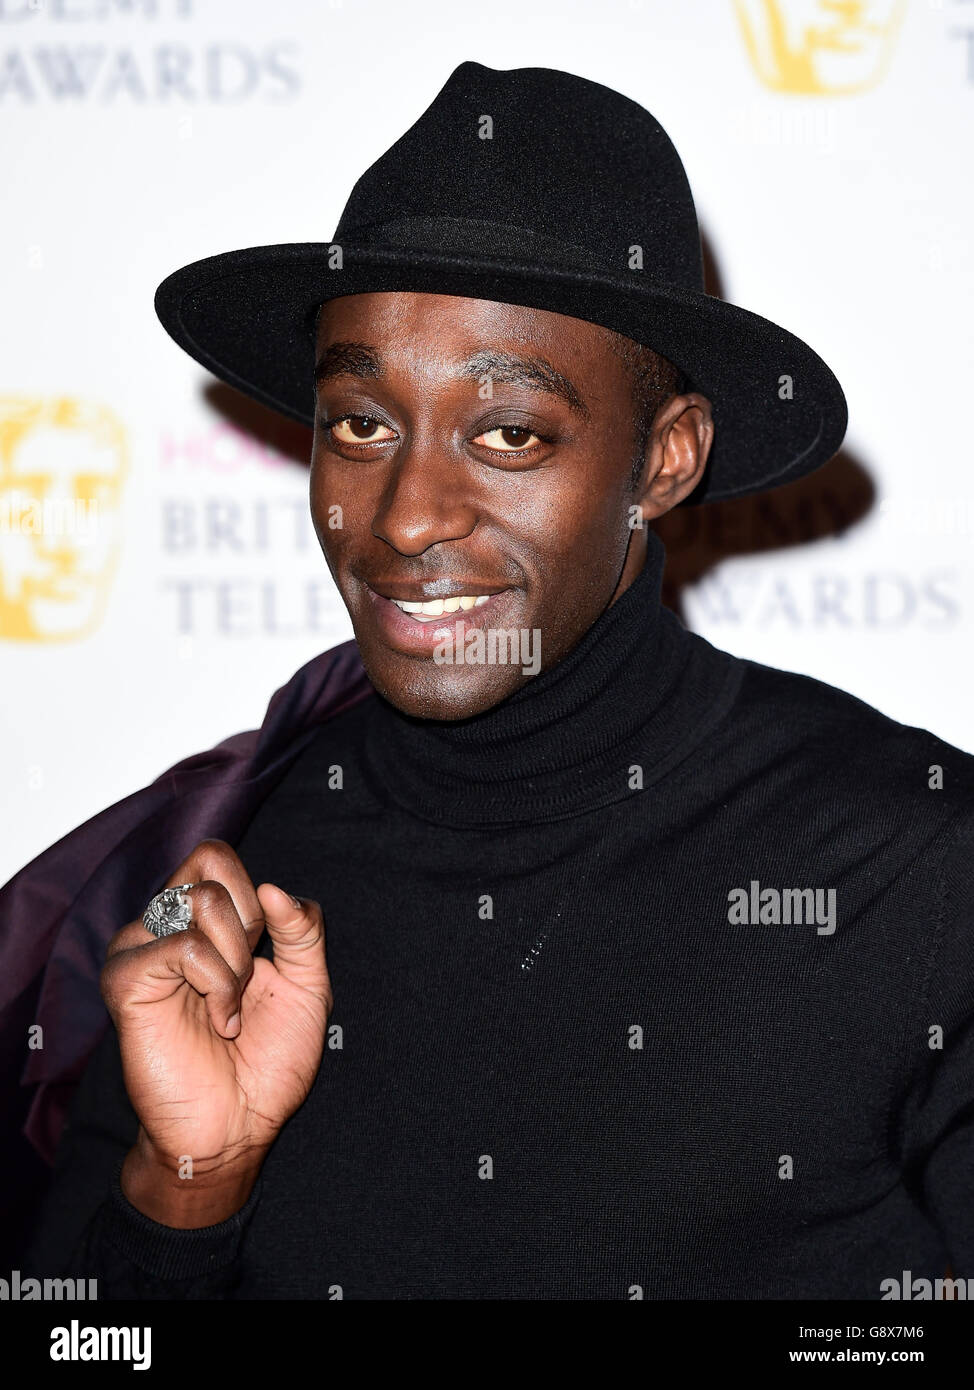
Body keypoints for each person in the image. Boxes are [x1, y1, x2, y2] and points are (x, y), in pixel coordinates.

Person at [15, 60, 974, 1300]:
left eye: (508, 434)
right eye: (360, 423)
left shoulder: (912, 863)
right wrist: (187, 1186)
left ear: (665, 460)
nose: (406, 517)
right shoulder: (229, 865)